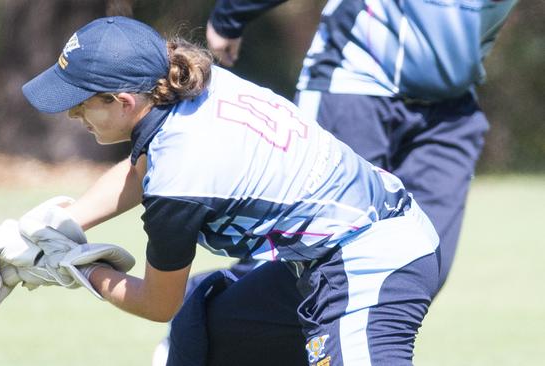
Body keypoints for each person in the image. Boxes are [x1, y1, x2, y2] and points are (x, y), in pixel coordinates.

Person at [22, 16, 440, 365]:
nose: (73, 114)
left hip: (370, 264)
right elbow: (141, 169)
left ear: (123, 102)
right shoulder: (191, 84)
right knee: (209, 336)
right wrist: (62, 223)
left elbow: (157, 301)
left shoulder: (179, 179)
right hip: (325, 258)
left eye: (80, 102)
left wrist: (80, 269)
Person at [206, 0, 518, 290]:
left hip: (450, 111)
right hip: (353, 84)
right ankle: (201, 317)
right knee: (312, 255)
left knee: (421, 264)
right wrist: (230, 16)